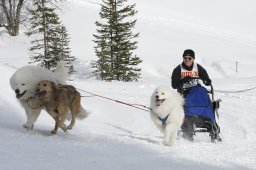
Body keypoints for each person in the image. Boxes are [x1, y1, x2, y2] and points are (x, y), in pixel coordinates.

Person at [171, 49, 212, 141]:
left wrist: (207, 81)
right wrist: (182, 80)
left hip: (196, 91)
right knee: (185, 107)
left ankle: (210, 122)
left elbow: (206, 79)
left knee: (206, 99)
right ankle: (187, 128)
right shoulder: (178, 69)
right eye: (185, 58)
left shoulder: (198, 68)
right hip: (183, 92)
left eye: (189, 58)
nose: (187, 60)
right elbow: (174, 85)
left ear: (193, 59)